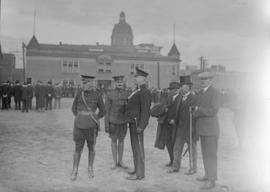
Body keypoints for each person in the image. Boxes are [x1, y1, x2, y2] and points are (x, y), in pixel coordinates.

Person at [71, 75, 105, 181]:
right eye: (83, 82)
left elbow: (103, 111)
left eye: (86, 83)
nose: (84, 85)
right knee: (77, 149)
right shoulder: (79, 93)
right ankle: (75, 170)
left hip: (91, 126)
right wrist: (81, 116)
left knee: (91, 148)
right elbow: (73, 108)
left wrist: (94, 117)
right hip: (79, 126)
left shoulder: (98, 94)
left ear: (91, 83)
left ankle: (90, 169)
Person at [192, 71, 221, 190]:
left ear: (210, 80)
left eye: (205, 79)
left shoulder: (215, 93)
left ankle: (212, 180)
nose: (203, 81)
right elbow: (195, 108)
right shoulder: (199, 93)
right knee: (205, 154)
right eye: (201, 80)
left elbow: (213, 111)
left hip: (210, 129)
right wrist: (194, 110)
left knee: (211, 155)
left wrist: (198, 109)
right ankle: (207, 175)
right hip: (202, 128)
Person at [125, 67, 152, 180]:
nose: (135, 77)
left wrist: (142, 126)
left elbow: (146, 111)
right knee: (135, 147)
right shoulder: (137, 90)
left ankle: (140, 174)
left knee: (138, 148)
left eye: (137, 76)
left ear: (143, 79)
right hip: (133, 122)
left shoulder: (145, 91)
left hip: (137, 124)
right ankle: (137, 169)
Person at [167, 76, 198, 175]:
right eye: (181, 86)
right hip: (180, 128)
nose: (181, 88)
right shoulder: (179, 97)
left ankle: (193, 168)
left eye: (183, 86)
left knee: (192, 149)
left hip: (190, 128)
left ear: (189, 87)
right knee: (177, 148)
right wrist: (173, 119)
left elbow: (196, 115)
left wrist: (195, 129)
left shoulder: (194, 98)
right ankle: (176, 166)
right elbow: (175, 111)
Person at [104, 75, 130, 170]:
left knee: (122, 141)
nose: (120, 84)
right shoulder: (110, 94)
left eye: (121, 82)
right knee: (114, 141)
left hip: (123, 121)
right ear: (114, 83)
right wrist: (106, 124)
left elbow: (129, 109)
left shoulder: (127, 94)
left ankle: (120, 161)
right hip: (113, 122)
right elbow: (106, 111)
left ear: (123, 83)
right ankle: (114, 162)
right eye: (118, 82)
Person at [153, 82, 179, 167]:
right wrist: (164, 109)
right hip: (166, 124)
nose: (170, 91)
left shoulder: (180, 99)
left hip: (175, 125)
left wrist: (174, 120)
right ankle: (172, 160)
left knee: (175, 144)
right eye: (170, 90)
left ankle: (176, 162)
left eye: (172, 90)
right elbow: (159, 107)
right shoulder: (167, 98)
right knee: (168, 143)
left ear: (176, 90)